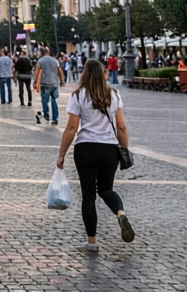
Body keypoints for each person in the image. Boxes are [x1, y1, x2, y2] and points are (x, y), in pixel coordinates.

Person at [55, 59, 133, 253]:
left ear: (85, 74)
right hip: (109, 149)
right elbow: (121, 126)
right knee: (106, 189)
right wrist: (124, 148)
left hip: (86, 148)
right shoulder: (114, 95)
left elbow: (72, 127)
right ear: (103, 74)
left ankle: (92, 242)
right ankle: (120, 213)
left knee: (88, 195)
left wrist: (61, 153)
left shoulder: (79, 96)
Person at [34, 47, 64, 125]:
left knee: (44, 100)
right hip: (54, 83)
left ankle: (46, 115)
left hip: (45, 83)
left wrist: (35, 81)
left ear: (43, 53)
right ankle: (55, 118)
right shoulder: (55, 60)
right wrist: (62, 81)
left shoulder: (41, 60)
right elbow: (60, 71)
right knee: (54, 99)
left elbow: (36, 71)